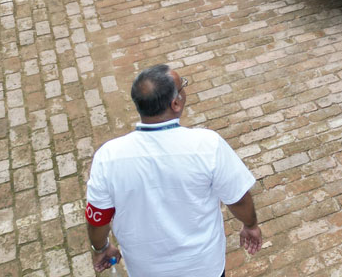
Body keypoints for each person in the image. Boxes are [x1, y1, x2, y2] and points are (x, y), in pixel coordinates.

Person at [84, 64, 262, 276]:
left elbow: (98, 218)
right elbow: (238, 199)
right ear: (175, 103)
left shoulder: (108, 156)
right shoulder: (207, 145)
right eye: (182, 86)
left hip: (146, 270)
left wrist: (101, 248)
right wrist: (251, 225)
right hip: (203, 267)